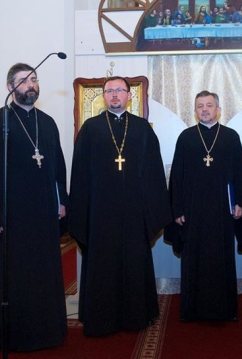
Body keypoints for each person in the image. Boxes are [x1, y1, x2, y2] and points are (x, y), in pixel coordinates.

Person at [0, 63, 68, 351]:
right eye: (24, 80)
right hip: (10, 219)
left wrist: (61, 199)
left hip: (42, 217)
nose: (31, 85)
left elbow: (57, 166)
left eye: (34, 79)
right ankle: (9, 333)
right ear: (10, 87)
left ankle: (47, 330)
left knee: (42, 274)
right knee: (12, 277)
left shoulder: (47, 123)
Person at [68, 76, 171, 337]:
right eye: (110, 91)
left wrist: (152, 210)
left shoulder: (142, 128)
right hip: (100, 213)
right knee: (102, 264)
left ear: (129, 96)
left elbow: (154, 172)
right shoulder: (90, 129)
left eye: (120, 91)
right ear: (103, 96)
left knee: (134, 261)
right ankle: (101, 317)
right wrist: (82, 211)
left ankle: (136, 315)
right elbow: (79, 174)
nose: (115, 95)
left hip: (135, 213)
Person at [166, 91, 242, 322]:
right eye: (200, 106)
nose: (204, 109)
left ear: (218, 109)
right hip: (192, 210)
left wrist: (240, 203)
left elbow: (239, 175)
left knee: (220, 257)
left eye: (209, 105)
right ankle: (192, 310)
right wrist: (177, 209)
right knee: (193, 257)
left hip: (222, 210)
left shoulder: (231, 137)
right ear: (195, 112)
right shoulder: (186, 137)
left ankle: (224, 310)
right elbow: (176, 177)